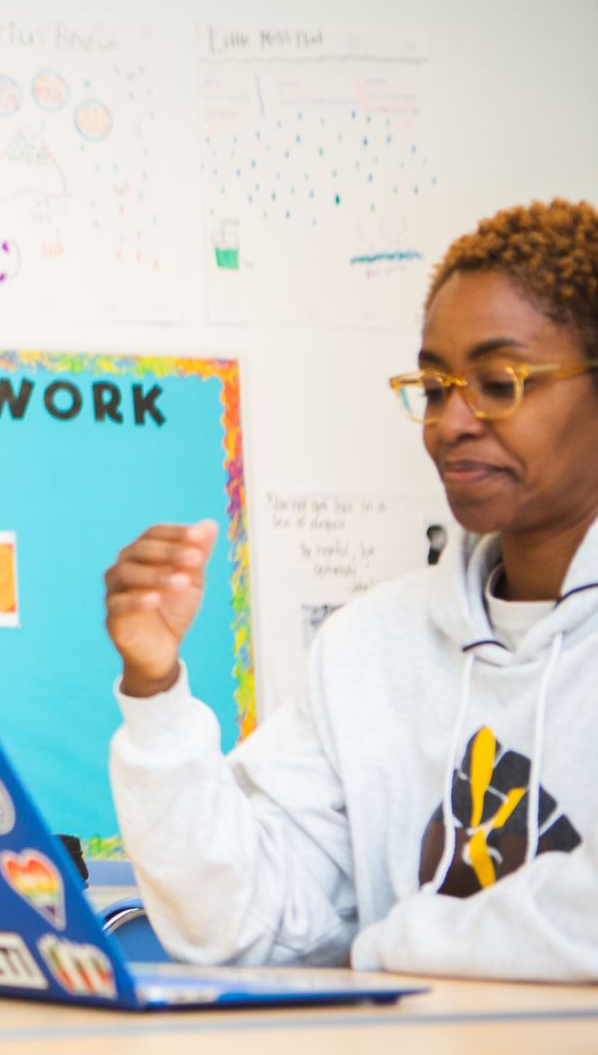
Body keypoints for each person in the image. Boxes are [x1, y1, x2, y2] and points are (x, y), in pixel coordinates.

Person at [102, 198, 598, 981]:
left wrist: (386, 945)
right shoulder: (371, 645)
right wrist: (155, 691)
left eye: (499, 382)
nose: (451, 421)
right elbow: (243, 927)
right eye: (435, 386)